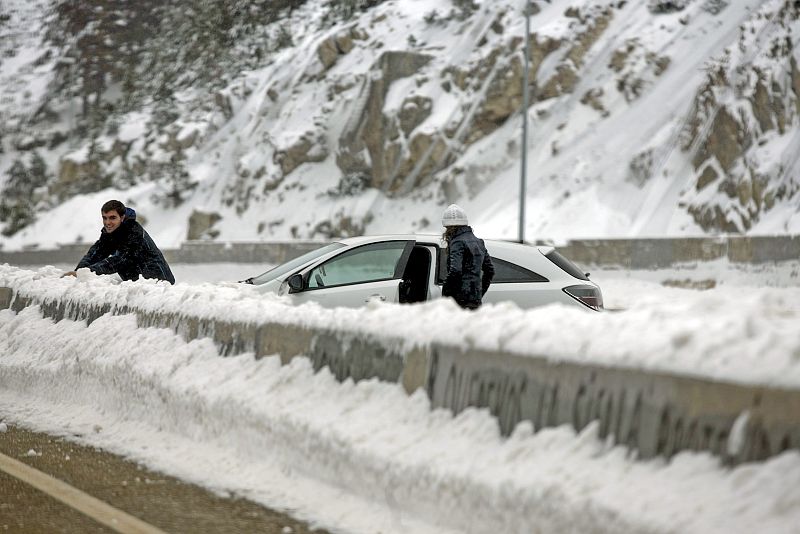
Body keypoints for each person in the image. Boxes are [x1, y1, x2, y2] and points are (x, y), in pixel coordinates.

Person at [62, 200, 175, 284]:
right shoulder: (109, 233)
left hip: (159, 284)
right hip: (135, 286)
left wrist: (86, 272)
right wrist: (78, 272)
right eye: (104, 218)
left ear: (122, 217)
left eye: (112, 218)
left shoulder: (134, 231)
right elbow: (95, 254)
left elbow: (120, 260)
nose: (108, 222)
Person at [441, 204, 494, 309]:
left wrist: (446, 291)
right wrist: (478, 292)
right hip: (475, 300)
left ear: (449, 227)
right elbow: (490, 270)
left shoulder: (457, 242)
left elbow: (455, 270)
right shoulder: (478, 242)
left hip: (459, 300)